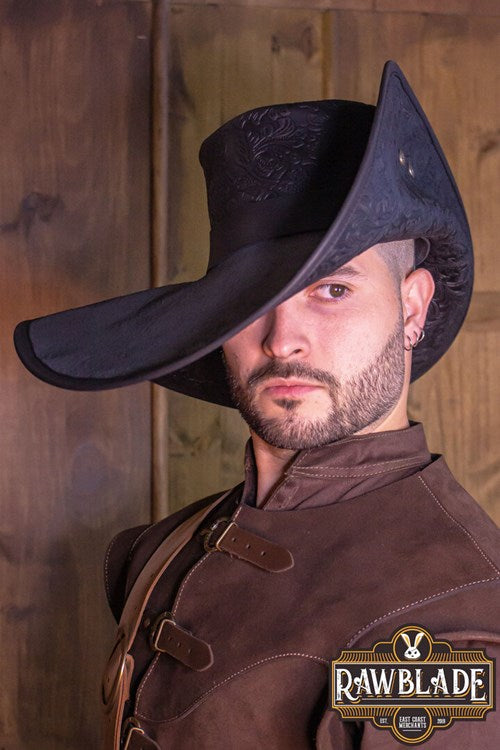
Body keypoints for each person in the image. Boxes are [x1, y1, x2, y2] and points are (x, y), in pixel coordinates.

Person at [14, 61, 499, 749]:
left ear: (411, 307)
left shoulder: (452, 628)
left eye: (332, 290)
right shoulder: (169, 547)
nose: (281, 338)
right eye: (249, 302)